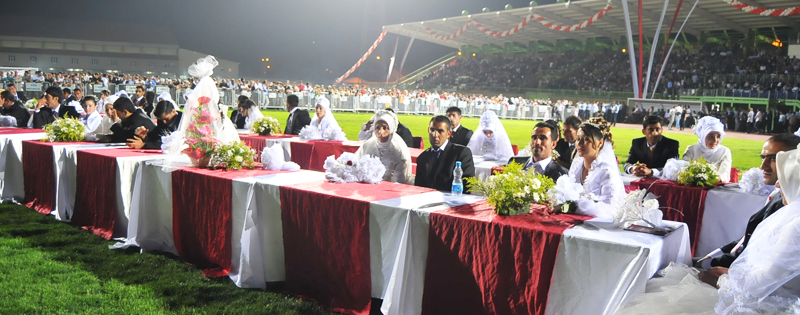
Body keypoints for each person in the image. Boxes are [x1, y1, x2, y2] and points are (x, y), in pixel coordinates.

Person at [617, 147, 800, 314]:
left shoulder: (796, 225)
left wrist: (723, 278)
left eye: (785, 179)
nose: (777, 185)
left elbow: (757, 286)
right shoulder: (792, 215)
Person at [694, 134, 800, 270]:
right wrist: (712, 256)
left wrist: (710, 264)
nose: (763, 166)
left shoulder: (789, 204)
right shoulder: (779, 193)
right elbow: (748, 237)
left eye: (774, 159)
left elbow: (763, 258)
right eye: (763, 158)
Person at [566, 119, 625, 221]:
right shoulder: (576, 168)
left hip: (599, 224)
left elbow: (610, 208)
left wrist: (578, 207)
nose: (579, 143)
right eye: (578, 139)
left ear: (600, 143)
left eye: (586, 139)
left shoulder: (606, 172)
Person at [415, 115, 475, 192]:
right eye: (432, 130)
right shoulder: (422, 158)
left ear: (449, 134)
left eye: (440, 131)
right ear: (428, 130)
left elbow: (468, 184)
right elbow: (418, 187)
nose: (435, 135)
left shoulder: (461, 153)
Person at [353, 110, 413, 184]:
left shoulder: (399, 151)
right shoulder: (368, 145)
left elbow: (399, 181)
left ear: (391, 129)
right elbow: (357, 164)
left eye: (385, 127)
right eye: (377, 127)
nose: (380, 131)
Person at [682, 116, 733, 183]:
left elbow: (725, 176)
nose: (715, 140)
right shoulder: (691, 150)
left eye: (718, 136)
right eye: (711, 136)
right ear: (703, 135)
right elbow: (685, 172)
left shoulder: (725, 152)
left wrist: (707, 178)